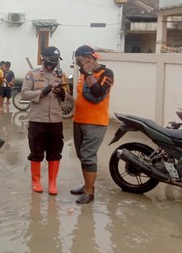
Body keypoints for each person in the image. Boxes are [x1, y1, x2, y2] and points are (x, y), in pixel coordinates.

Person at [70, 45, 114, 204]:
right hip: (79, 120)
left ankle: (89, 192)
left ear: (89, 58)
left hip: (95, 123)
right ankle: (87, 185)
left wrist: (88, 73)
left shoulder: (106, 73)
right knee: (82, 156)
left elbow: (98, 93)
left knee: (89, 157)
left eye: (80, 61)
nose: (78, 65)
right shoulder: (82, 73)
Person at [21, 46, 65, 195]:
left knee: (55, 153)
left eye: (56, 61)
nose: (53, 64)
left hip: (55, 121)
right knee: (36, 152)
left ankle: (52, 183)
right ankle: (36, 181)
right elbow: (24, 94)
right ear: (43, 59)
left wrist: (63, 93)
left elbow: (68, 100)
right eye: (50, 60)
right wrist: (42, 92)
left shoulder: (60, 75)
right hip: (37, 120)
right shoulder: (32, 74)